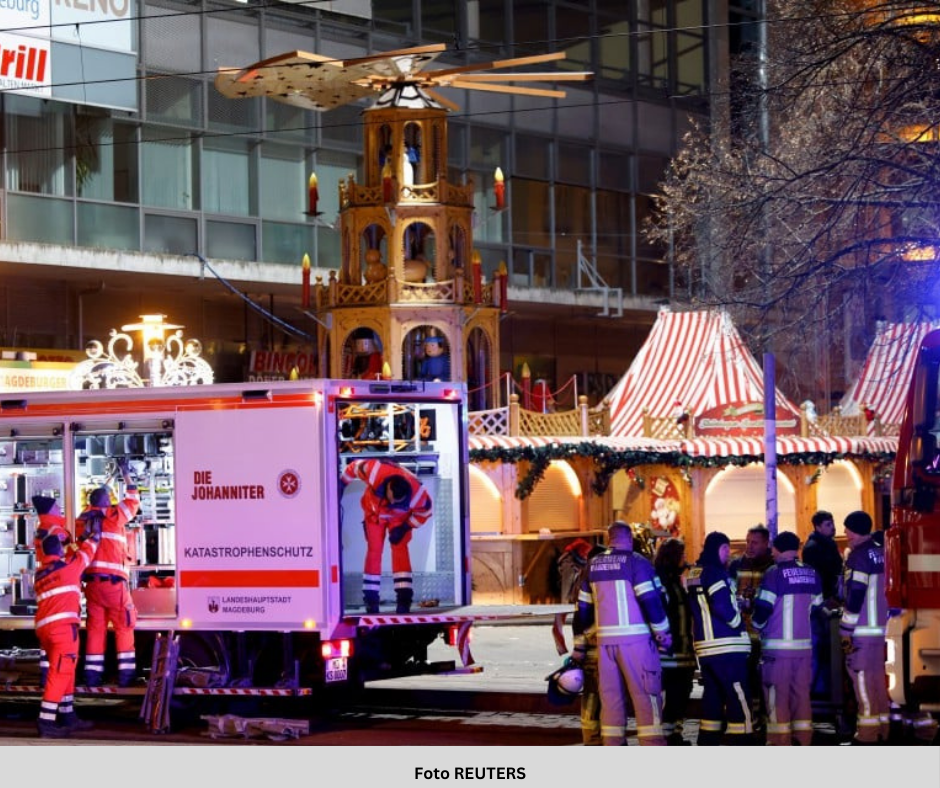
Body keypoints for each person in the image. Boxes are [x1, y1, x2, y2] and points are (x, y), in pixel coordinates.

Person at [574, 521, 671, 746]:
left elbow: (583, 610)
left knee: (611, 701)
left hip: (605, 646)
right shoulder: (637, 562)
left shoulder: (592, 565)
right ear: (629, 538)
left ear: (610, 539)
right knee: (646, 697)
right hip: (636, 642)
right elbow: (652, 601)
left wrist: (581, 643)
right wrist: (663, 634)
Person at [751, 531, 823, 745]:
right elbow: (817, 607)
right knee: (801, 695)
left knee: (776, 695)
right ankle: (803, 739)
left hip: (777, 650)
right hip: (804, 649)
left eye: (773, 549)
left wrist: (755, 625)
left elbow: (763, 608)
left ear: (778, 549)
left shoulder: (774, 574)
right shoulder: (812, 573)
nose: (772, 553)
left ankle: (779, 741)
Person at [34, 522, 102, 737]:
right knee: (61, 672)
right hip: (62, 629)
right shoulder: (68, 568)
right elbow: (86, 555)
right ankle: (46, 721)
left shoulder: (40, 574)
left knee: (66, 670)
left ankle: (68, 715)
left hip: (46, 629)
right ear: (59, 551)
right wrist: (93, 537)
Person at [686, 530, 754, 745]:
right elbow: (721, 606)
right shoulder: (716, 573)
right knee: (737, 694)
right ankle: (742, 740)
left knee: (712, 697)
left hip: (705, 647)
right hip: (727, 645)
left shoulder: (694, 573)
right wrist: (738, 622)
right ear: (720, 548)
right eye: (726, 549)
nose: (728, 554)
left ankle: (708, 740)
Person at [341, 458, 432, 614]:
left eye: (398, 503)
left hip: (399, 520)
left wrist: (405, 527)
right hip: (374, 516)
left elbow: (425, 513)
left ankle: (404, 599)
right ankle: (371, 600)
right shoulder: (374, 471)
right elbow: (353, 467)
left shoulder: (418, 495)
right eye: (392, 500)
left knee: (400, 549)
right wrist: (341, 484)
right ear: (389, 487)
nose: (393, 504)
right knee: (374, 551)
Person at [80, 458, 141, 687]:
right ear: (107, 502)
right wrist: (125, 474)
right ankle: (126, 677)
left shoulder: (84, 520)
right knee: (124, 626)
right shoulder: (114, 517)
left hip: (92, 587)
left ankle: (92, 676)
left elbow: (97, 498)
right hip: (114, 586)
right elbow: (133, 500)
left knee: (95, 630)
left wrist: (109, 479)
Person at [839, 510, 890, 745]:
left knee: (862, 681)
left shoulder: (858, 557)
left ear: (856, 531)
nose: (845, 533)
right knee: (879, 681)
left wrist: (845, 629)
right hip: (883, 630)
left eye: (848, 529)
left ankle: (867, 735)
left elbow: (856, 593)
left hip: (862, 631)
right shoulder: (883, 552)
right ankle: (883, 730)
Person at [728, 523, 773, 732]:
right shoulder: (737, 565)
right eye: (747, 541)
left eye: (754, 542)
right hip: (742, 633)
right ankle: (751, 718)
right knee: (746, 678)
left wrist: (753, 603)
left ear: (766, 543)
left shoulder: (772, 567)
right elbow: (728, 591)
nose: (749, 546)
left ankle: (764, 718)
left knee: (764, 679)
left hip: (766, 633)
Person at [653, 537, 695, 745]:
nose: (685, 559)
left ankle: (674, 734)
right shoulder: (663, 583)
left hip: (682, 651)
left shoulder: (675, 581)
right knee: (674, 695)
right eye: (682, 555)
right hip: (670, 652)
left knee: (680, 695)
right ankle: (669, 737)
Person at [801, 510, 844, 700]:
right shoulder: (813, 548)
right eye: (828, 524)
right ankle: (819, 689)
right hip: (822, 602)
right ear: (818, 527)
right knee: (822, 646)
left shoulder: (828, 544)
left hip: (830, 599)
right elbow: (818, 577)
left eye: (832, 523)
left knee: (828, 646)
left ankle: (825, 687)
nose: (833, 527)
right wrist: (826, 598)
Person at [32, 495, 73, 688]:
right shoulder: (56, 530)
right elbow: (70, 552)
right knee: (59, 637)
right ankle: (57, 681)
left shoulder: (41, 529)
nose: (59, 508)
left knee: (47, 632)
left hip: (45, 578)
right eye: (56, 506)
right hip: (59, 579)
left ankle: (45, 675)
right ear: (50, 510)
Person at [568, 543, 605, 745]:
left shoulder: (585, 578)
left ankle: (594, 737)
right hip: (595, 648)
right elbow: (579, 619)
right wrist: (580, 647)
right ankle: (593, 738)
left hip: (597, 648)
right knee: (594, 695)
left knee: (595, 695)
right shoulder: (590, 580)